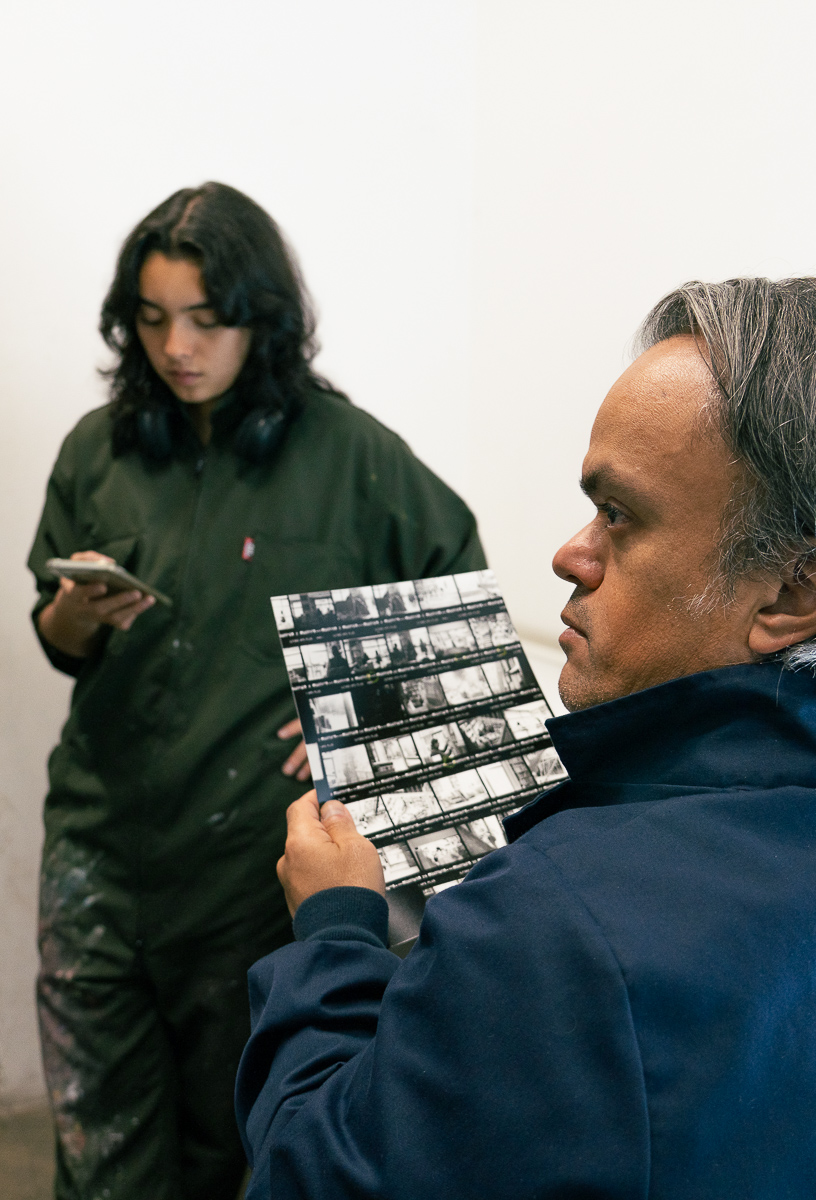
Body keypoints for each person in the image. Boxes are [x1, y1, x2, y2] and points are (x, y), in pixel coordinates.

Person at [236, 277, 816, 1198]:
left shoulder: (553, 923)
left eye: (621, 516)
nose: (570, 554)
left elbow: (313, 1178)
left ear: (795, 594)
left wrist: (335, 932)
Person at [28, 181, 486, 1200]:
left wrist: (359, 709)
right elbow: (55, 637)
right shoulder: (97, 452)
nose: (176, 346)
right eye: (152, 320)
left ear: (260, 318)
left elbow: (461, 614)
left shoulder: (351, 456)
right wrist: (77, 614)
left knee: (227, 1139)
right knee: (98, 1144)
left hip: (250, 868)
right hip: (100, 850)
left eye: (205, 319)